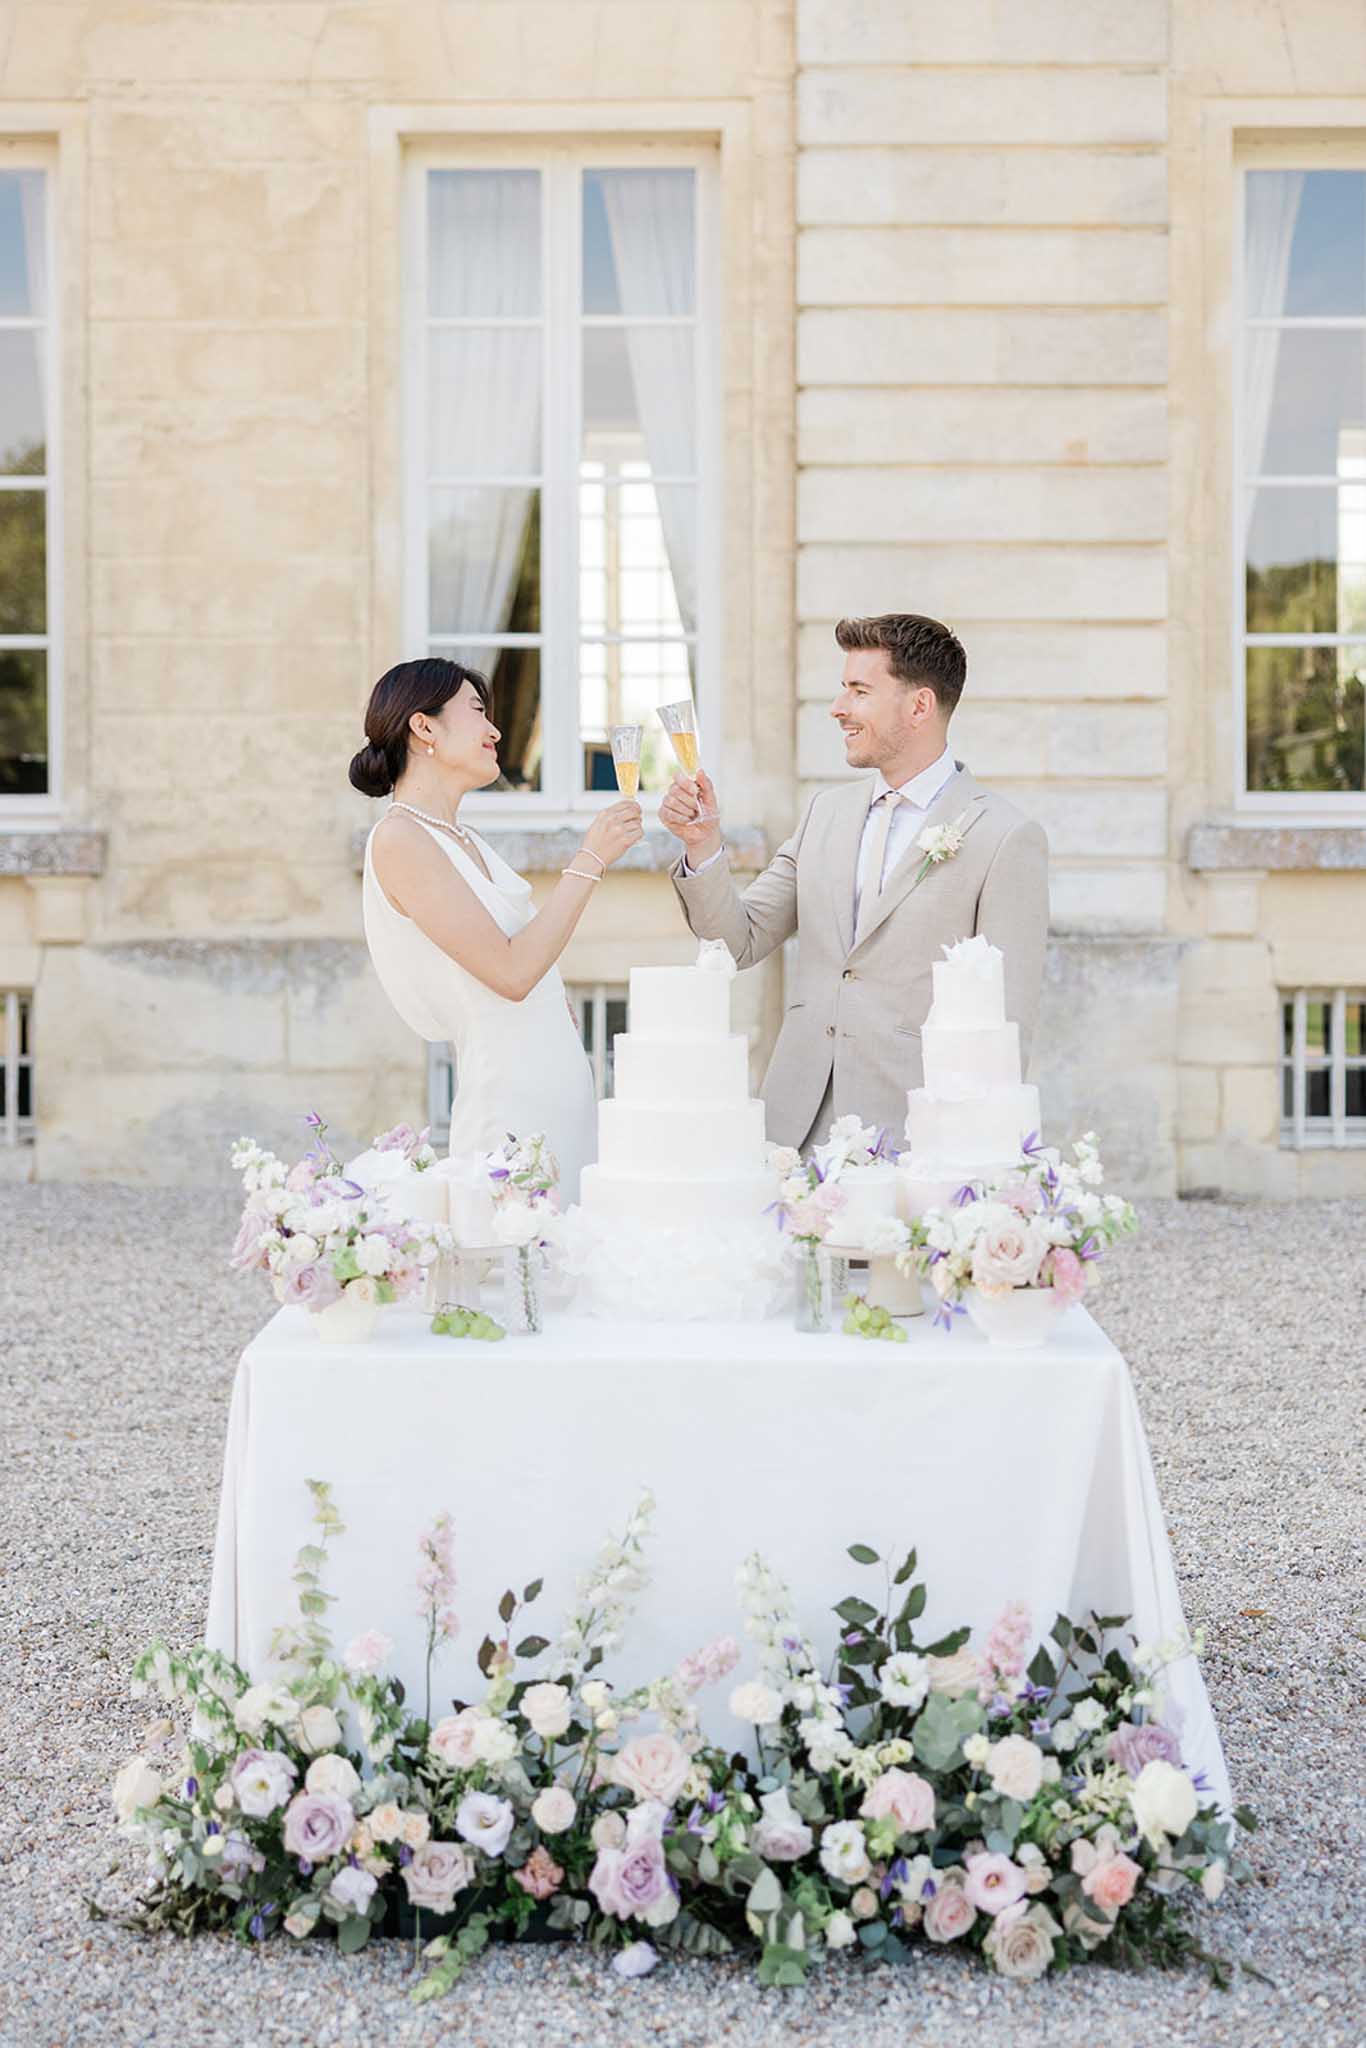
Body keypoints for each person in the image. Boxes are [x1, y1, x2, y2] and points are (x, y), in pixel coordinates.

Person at [660, 613, 1049, 1151]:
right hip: (794, 1128)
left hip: (917, 1133)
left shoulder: (1004, 836)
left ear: (919, 706)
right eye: (843, 690)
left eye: (859, 691)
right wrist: (702, 847)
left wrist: (975, 1155)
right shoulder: (826, 813)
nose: (838, 708)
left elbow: (1006, 1022)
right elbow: (735, 942)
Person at [352, 657, 642, 1201]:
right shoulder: (401, 839)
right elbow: (510, 973)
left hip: (559, 1087)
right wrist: (590, 858)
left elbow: (527, 967)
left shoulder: (466, 840)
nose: (495, 730)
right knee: (517, 1269)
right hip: (510, 1105)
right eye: (479, 712)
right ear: (424, 727)